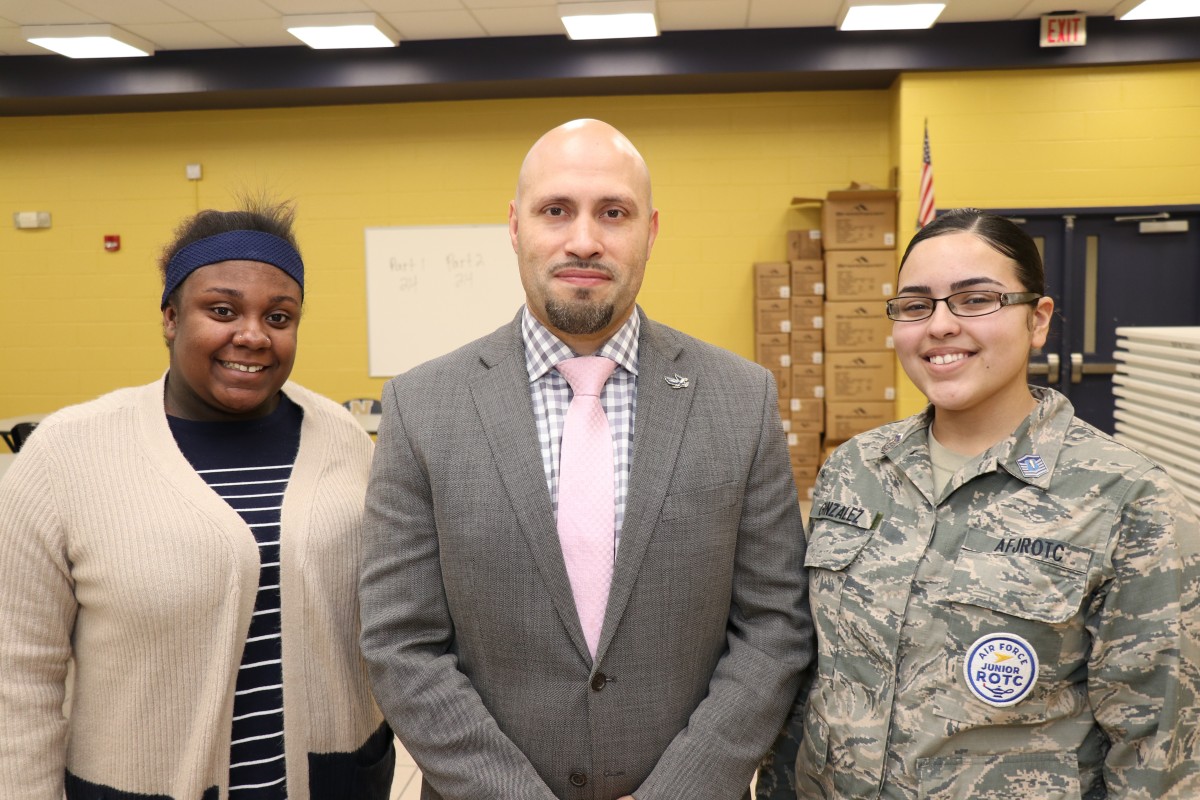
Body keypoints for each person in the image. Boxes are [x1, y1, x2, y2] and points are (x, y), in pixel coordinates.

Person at [359, 118, 814, 800]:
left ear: (651, 230)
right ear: (515, 226)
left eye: (613, 213)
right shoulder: (422, 406)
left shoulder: (740, 399)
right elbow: (401, 642)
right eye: (555, 211)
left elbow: (774, 626)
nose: (583, 241)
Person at [765, 208, 1200, 799]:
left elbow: (1157, 750)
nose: (940, 326)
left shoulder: (1129, 501)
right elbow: (811, 682)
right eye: (916, 306)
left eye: (975, 300)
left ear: (1038, 319)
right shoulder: (855, 470)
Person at [0, 202, 394, 799]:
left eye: (280, 316)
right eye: (222, 310)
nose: (253, 335)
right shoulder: (65, 457)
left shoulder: (344, 441)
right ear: (169, 316)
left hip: (336, 779)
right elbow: (18, 675)